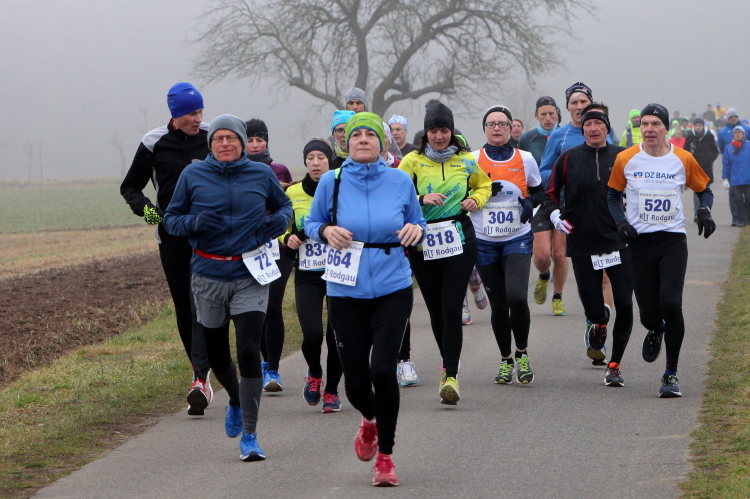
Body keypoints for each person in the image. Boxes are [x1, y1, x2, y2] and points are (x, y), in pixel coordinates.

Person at [304, 112, 426, 487]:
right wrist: (326, 230)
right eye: (355, 135)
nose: (362, 140)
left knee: (382, 371)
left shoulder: (400, 180)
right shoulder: (332, 181)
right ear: (346, 143)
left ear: (383, 142)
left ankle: (385, 458)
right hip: (345, 290)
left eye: (369, 135)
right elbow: (311, 223)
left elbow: (419, 223)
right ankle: (370, 420)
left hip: (392, 286)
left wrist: (415, 230)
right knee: (355, 385)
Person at [163, 114, 292, 460]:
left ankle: (250, 435)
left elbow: (284, 207)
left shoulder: (261, 174)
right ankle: (235, 399)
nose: (224, 143)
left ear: (242, 143)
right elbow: (170, 220)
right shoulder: (192, 175)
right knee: (218, 356)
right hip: (208, 275)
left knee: (249, 351)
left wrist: (277, 223)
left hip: (250, 273)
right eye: (218, 138)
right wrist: (195, 222)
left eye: (231, 138)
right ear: (211, 144)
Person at [607, 103, 715, 398]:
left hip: (672, 241)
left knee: (671, 303)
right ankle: (656, 329)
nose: (649, 129)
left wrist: (704, 210)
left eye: (655, 124)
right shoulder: (626, 158)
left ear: (666, 128)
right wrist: (620, 222)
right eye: (644, 123)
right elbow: (613, 195)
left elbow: (704, 189)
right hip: (639, 244)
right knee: (648, 315)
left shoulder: (683, 158)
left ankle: (671, 374)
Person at [120, 82, 214, 416]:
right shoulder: (153, 142)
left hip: (210, 235)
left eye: (200, 111)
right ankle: (199, 376)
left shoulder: (213, 137)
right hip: (172, 238)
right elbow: (130, 187)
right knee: (185, 308)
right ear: (175, 114)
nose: (198, 118)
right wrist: (153, 217)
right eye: (191, 113)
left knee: (206, 303)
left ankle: (207, 372)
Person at [399, 102, 492, 405]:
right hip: (422, 240)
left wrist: (476, 199)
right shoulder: (411, 161)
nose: (439, 136)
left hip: (459, 238)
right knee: (437, 310)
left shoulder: (465, 160)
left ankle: (451, 375)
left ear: (451, 132)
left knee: (452, 308)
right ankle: (447, 361)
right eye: (434, 130)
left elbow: (485, 186)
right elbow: (396, 196)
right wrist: (421, 198)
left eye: (444, 130)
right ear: (425, 133)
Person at [545, 102, 633, 383]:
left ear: (607, 128)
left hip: (618, 241)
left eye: (598, 124)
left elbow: (640, 189)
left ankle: (614, 365)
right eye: (588, 125)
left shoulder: (623, 156)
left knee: (625, 304)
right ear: (582, 129)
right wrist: (555, 214)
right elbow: (549, 193)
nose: (593, 129)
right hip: (582, 242)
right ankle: (598, 323)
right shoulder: (568, 158)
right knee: (594, 309)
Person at [470, 105, 543, 384]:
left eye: (502, 124)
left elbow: (538, 190)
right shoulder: (472, 159)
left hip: (517, 237)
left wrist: (530, 203)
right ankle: (505, 359)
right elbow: (462, 193)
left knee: (516, 297)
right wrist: (481, 192)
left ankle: (522, 353)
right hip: (484, 240)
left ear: (511, 128)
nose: (497, 128)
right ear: (485, 129)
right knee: (499, 306)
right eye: (492, 124)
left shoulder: (525, 158)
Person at [282, 138, 344, 412]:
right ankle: (315, 373)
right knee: (312, 334)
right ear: (305, 162)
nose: (316, 163)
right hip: (307, 273)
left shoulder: (341, 188)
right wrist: (287, 238)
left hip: (339, 271)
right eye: (310, 158)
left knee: (337, 336)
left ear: (330, 161)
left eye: (321, 157)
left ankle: (332, 391)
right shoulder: (293, 192)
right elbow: (280, 226)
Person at [534, 82, 599, 316]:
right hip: (556, 203)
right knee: (543, 256)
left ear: (591, 104)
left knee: (562, 254)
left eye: (583, 102)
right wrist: (566, 175)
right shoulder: (559, 136)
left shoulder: (603, 131)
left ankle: (562, 298)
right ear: (568, 108)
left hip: (586, 206)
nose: (579, 106)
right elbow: (542, 172)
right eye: (574, 102)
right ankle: (544, 275)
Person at [244, 118, 293, 392]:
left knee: (273, 306)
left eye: (259, 140)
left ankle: (273, 369)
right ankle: (263, 363)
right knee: (256, 309)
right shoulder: (235, 171)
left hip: (278, 248)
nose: (254, 145)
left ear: (267, 142)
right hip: (248, 249)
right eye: (250, 140)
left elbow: (288, 207)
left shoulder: (279, 170)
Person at [716, 108, 750, 226]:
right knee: (735, 198)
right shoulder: (723, 132)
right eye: (731, 117)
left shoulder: (747, 129)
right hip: (733, 170)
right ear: (728, 119)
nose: (733, 118)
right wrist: (725, 178)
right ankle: (736, 218)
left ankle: (747, 218)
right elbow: (721, 147)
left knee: (748, 197)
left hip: (746, 171)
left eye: (735, 116)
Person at [685, 117, 719, 220]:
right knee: (697, 192)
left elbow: (715, 151)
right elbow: (685, 151)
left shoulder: (709, 136)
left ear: (703, 126)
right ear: (693, 126)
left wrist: (710, 159)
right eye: (696, 125)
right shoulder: (690, 137)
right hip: (695, 168)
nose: (698, 127)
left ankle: (705, 212)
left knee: (706, 191)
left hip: (706, 168)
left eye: (700, 125)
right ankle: (697, 213)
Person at [518, 96, 560, 167]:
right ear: (536, 115)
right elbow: (521, 166)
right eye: (543, 114)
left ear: (557, 113)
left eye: (551, 113)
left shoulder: (566, 135)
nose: (548, 118)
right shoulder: (526, 138)